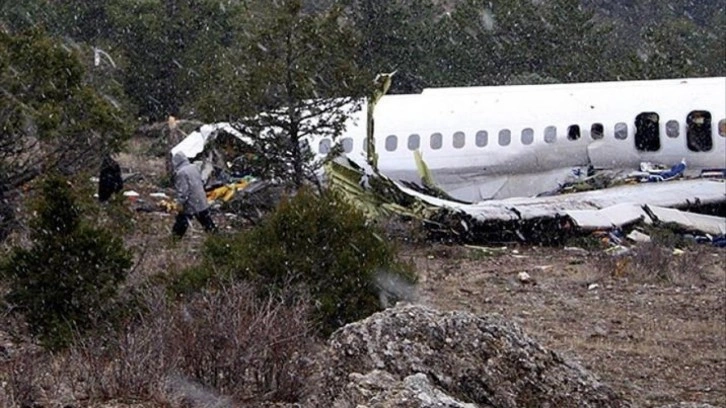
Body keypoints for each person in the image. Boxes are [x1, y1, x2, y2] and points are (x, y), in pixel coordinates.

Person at [171, 151, 217, 237]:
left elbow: (183, 190)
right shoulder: (194, 167)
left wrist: (180, 202)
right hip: (201, 198)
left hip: (191, 202)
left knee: (182, 221)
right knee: (206, 221)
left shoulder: (181, 173)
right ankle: (216, 238)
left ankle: (174, 239)